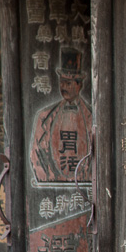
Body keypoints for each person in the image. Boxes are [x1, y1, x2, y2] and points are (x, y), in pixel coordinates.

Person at [30, 46, 92, 182]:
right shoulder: (45, 117)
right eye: (62, 82)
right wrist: (48, 179)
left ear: (79, 85)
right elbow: (35, 153)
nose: (64, 87)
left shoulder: (92, 117)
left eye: (68, 83)